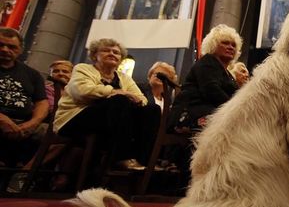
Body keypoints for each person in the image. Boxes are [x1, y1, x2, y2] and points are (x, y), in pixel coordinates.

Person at [53, 38, 160, 171]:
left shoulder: (123, 77)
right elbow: (81, 91)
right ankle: (121, 158)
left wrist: (128, 97)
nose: (112, 54)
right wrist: (117, 92)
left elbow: (141, 99)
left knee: (152, 109)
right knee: (119, 100)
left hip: (109, 119)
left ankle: (145, 161)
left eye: (116, 52)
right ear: (94, 55)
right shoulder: (83, 69)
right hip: (75, 117)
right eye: (106, 50)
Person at [168, 24, 242, 133]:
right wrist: (235, 108)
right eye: (225, 43)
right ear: (213, 45)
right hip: (190, 114)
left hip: (211, 112)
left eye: (233, 45)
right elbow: (211, 91)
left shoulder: (227, 73)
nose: (231, 47)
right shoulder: (207, 62)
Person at [0, 27, 49, 167]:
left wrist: (33, 123)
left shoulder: (32, 74)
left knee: (58, 137)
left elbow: (42, 102)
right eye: (1, 45)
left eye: (11, 47)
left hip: (23, 123)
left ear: (20, 50)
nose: (4, 49)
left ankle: (23, 175)